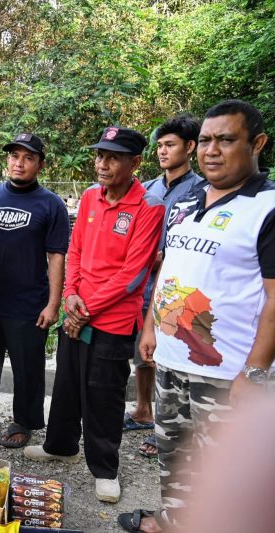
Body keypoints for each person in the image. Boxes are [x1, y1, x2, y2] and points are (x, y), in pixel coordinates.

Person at [118, 100, 275, 532]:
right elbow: (170, 268)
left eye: (226, 140)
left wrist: (256, 372)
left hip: (226, 372)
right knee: (175, 452)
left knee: (225, 470)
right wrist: (151, 327)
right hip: (172, 358)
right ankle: (174, 520)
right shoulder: (186, 202)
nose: (212, 150)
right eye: (206, 140)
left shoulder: (267, 208)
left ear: (256, 143)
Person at [24, 126, 165, 504]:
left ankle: (105, 469)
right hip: (78, 309)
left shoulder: (149, 207)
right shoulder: (89, 197)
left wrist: (84, 311)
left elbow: (133, 275)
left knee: (104, 393)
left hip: (113, 320)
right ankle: (60, 445)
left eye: (113, 157)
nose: (103, 164)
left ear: (135, 163)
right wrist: (70, 294)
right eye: (100, 155)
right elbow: (76, 251)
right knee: (67, 384)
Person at [0, 133, 69, 448]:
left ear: (40, 163)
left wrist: (53, 305)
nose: (19, 163)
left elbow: (56, 257)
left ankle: (24, 421)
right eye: (14, 156)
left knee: (28, 368)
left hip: (27, 303)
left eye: (27, 157)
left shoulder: (51, 205)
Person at [124, 115, 204, 460]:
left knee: (169, 354)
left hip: (176, 286)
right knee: (142, 352)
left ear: (190, 148)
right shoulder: (150, 188)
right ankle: (143, 410)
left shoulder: (201, 190)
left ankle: (167, 426)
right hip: (142, 283)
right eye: (159, 146)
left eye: (170, 145)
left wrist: (165, 257)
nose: (163, 151)